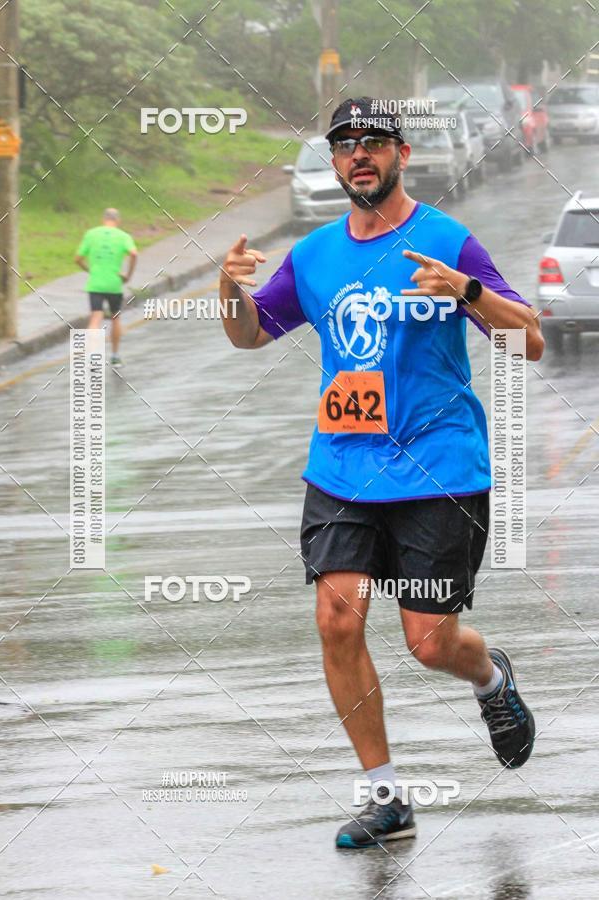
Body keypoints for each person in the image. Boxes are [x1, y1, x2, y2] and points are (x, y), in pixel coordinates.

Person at [219, 96, 544, 850]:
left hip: (438, 466)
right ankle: (385, 796)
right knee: (336, 617)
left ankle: (491, 677)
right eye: (343, 145)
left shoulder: (445, 240)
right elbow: (250, 336)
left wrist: (465, 291)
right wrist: (228, 288)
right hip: (342, 466)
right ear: (334, 162)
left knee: (429, 642)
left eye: (371, 142)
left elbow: (527, 339)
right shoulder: (313, 255)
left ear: (400, 152)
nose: (357, 154)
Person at [75, 208, 137, 367]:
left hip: (95, 283)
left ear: (103, 220)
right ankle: (115, 356)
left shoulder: (91, 234)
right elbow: (134, 254)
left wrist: (90, 270)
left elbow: (78, 258)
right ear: (118, 221)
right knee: (115, 318)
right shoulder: (124, 236)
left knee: (96, 317)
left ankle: (91, 355)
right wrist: (128, 275)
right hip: (114, 283)